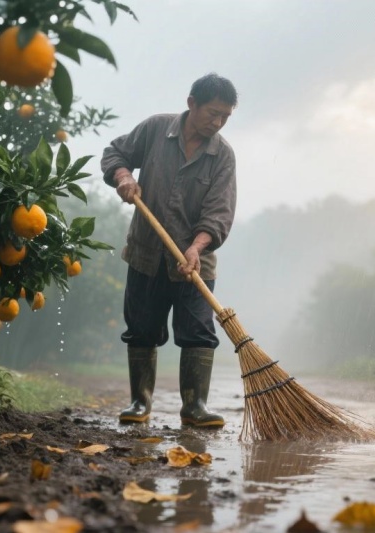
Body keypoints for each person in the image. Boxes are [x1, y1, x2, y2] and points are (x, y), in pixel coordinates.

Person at [100, 73, 238, 427]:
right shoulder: (155, 130)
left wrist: (196, 248)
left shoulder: (222, 156)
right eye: (212, 113)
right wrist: (124, 177)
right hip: (146, 254)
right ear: (191, 103)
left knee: (198, 333)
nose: (218, 122)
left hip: (195, 262)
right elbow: (115, 153)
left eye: (225, 116)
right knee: (142, 329)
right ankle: (139, 403)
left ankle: (195, 407)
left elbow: (219, 214)